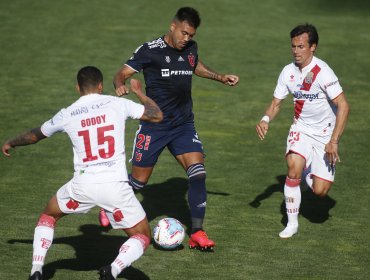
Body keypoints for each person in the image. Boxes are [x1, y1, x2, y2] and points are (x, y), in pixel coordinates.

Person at [2, 66, 163, 280]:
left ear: (78, 88)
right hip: (115, 187)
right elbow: (156, 115)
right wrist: (138, 91)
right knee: (142, 235)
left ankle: (36, 270)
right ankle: (113, 269)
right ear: (100, 86)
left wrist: (11, 142)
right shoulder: (117, 104)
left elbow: (35, 135)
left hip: (82, 186)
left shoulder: (67, 113)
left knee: (49, 216)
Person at [99, 7, 239, 250]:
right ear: (173, 26)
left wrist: (220, 77)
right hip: (154, 126)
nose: (187, 39)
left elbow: (194, 65)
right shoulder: (149, 50)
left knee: (198, 174)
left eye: (191, 35)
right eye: (184, 33)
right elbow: (120, 74)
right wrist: (120, 85)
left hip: (183, 124)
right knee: (138, 183)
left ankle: (197, 232)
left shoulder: (190, 49)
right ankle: (109, 206)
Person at [256, 23, 350, 238]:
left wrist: (334, 141)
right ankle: (292, 223)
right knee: (292, 170)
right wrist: (265, 119)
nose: (296, 51)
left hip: (325, 135)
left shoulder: (323, 72)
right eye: (293, 47)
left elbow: (344, 105)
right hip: (301, 130)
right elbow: (276, 103)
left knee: (320, 191)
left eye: (301, 47)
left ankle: (308, 172)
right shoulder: (288, 72)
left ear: (313, 47)